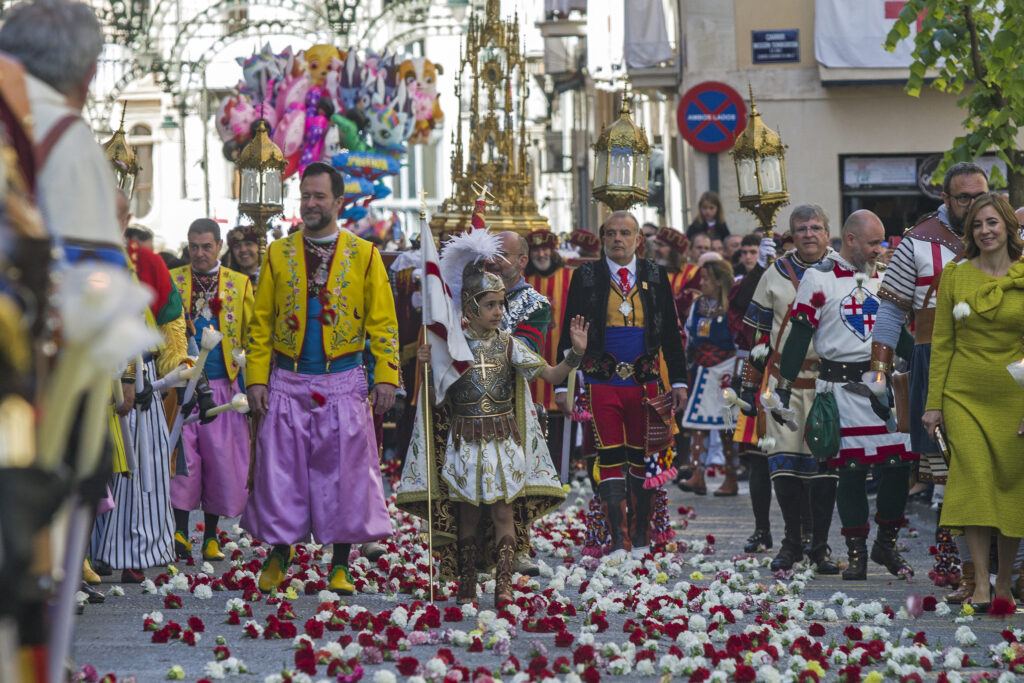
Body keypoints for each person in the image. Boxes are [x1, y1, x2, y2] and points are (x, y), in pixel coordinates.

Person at [244, 162, 398, 595]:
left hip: (344, 380)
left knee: (346, 476)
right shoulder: (278, 253)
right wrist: (256, 379)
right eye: (305, 196)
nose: (310, 204)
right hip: (287, 381)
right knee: (281, 473)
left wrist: (385, 376)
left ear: (339, 202)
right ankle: (279, 553)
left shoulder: (365, 255)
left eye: (318, 197)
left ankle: (342, 564)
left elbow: (383, 324)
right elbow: (260, 326)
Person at [413, 267, 583, 605]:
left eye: (502, 304)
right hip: (464, 440)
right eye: (491, 305)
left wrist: (575, 354)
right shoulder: (453, 347)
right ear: (471, 308)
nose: (499, 312)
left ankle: (503, 584)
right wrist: (425, 369)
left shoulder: (509, 345)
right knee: (469, 515)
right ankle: (466, 581)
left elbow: (550, 374)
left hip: (503, 441)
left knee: (503, 513)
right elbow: (436, 401)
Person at [776, 210, 915, 580]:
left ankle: (886, 543)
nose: (880, 249)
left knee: (900, 464)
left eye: (882, 241)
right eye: (874, 242)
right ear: (850, 240)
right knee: (851, 472)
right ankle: (857, 555)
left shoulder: (885, 276)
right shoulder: (819, 279)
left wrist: (925, 362)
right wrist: (783, 386)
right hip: (840, 389)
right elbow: (800, 334)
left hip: (886, 385)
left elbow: (898, 331)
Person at [872, 162, 988, 602]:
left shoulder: (1004, 232)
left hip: (994, 364)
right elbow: (890, 311)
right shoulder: (918, 241)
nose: (975, 205)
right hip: (935, 360)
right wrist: (878, 370)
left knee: (999, 470)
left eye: (981, 194)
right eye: (965, 198)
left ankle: (1006, 571)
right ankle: (971, 572)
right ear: (945, 199)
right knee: (956, 475)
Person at [556, 211, 688, 558]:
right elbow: (569, 328)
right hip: (602, 380)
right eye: (611, 234)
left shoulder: (656, 275)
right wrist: (561, 386)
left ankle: (641, 542)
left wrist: (678, 380)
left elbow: (672, 336)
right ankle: (618, 542)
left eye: (625, 233)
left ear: (637, 240)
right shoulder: (585, 275)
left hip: (645, 383)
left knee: (642, 459)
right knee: (610, 457)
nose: (618, 239)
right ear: (603, 239)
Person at [924, 192, 1024, 610]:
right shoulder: (956, 275)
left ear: (1008, 226)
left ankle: (1005, 585)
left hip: (1014, 397)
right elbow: (942, 344)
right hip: (962, 395)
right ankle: (981, 583)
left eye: (992, 223)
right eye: (977, 224)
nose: (985, 231)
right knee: (976, 482)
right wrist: (933, 405)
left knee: (1010, 487)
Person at [740, 205, 838, 572]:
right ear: (792, 235)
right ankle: (791, 543)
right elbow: (759, 336)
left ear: (827, 233)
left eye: (816, 227)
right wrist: (749, 388)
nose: (809, 233)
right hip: (783, 385)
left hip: (829, 384)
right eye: (801, 228)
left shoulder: (844, 272)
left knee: (824, 471)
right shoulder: (774, 274)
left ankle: (821, 547)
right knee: (784, 469)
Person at [169, 219, 254, 562]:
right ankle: (178, 531)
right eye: (194, 247)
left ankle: (212, 537)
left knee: (220, 465)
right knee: (182, 462)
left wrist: (250, 387)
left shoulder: (240, 284)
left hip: (225, 389)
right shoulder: (174, 280)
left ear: (220, 246)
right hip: (182, 388)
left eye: (207, 246)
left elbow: (250, 336)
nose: (200, 253)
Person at [676, 260, 739, 496]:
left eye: (706, 279)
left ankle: (730, 478)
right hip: (702, 369)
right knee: (698, 424)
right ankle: (697, 475)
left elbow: (738, 338)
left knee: (727, 426)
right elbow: (691, 334)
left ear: (719, 281)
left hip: (726, 370)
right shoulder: (698, 306)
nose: (701, 283)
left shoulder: (732, 305)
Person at [524, 227, 574, 468]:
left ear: (553, 251)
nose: (541, 254)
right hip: (532, 357)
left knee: (561, 411)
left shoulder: (570, 277)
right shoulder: (523, 281)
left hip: (561, 354)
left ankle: (562, 465)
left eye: (545, 249)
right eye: (536, 250)